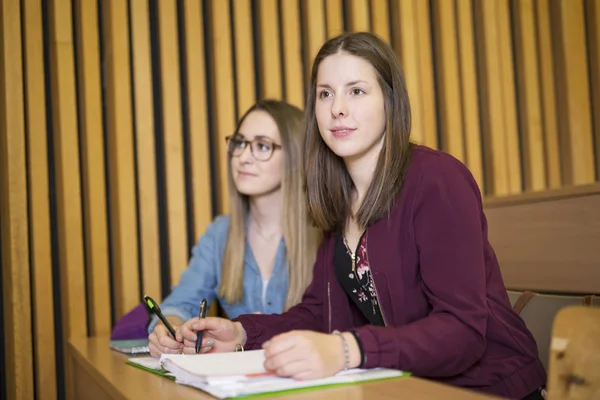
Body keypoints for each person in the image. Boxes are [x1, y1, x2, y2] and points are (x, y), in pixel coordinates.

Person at [177, 33, 547, 399]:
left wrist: (346, 350)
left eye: (356, 90)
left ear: (390, 100)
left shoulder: (436, 179)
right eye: (325, 93)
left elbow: (462, 330)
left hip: (486, 388)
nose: (337, 108)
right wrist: (242, 335)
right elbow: (317, 314)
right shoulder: (340, 197)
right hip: (404, 386)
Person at [148, 99, 321, 358]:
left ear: (296, 158)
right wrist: (167, 328)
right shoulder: (221, 234)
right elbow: (180, 304)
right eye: (239, 143)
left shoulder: (325, 233)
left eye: (262, 146)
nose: (243, 157)